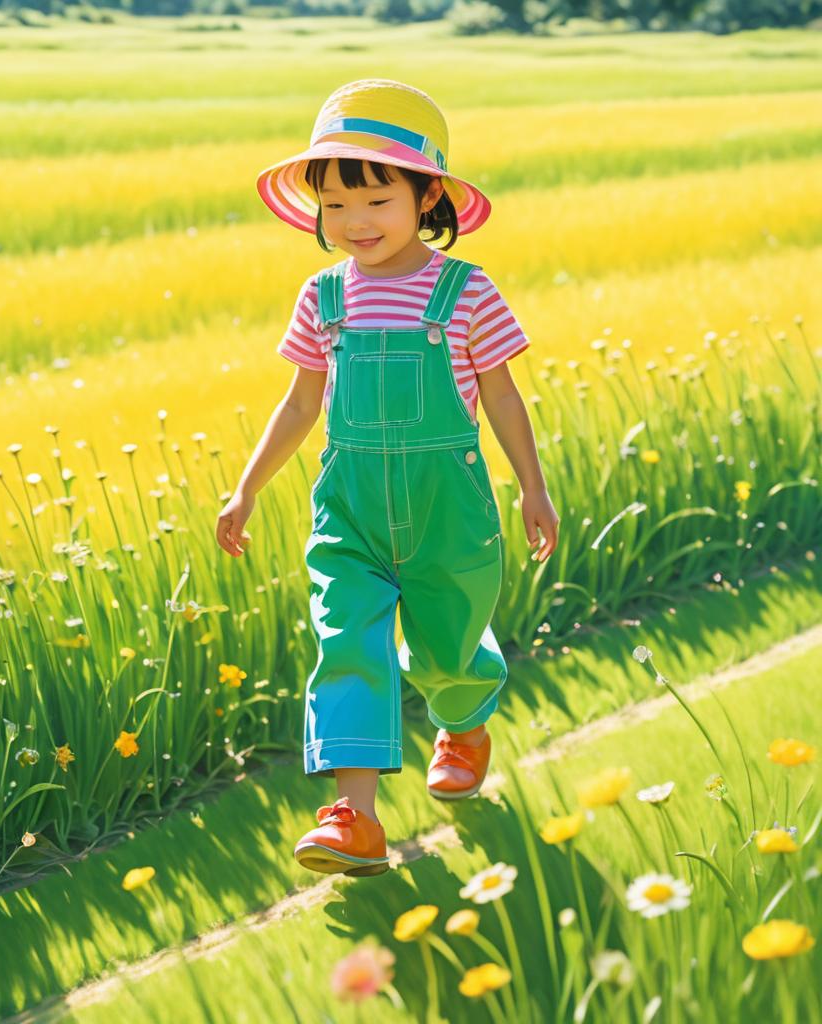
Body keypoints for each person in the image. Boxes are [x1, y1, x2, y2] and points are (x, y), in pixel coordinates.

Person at [216, 79, 559, 877]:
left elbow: (503, 397)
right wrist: (248, 486)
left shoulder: (465, 290)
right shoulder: (323, 296)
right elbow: (302, 403)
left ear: (427, 193)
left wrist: (532, 488)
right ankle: (355, 818)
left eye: (374, 199)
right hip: (352, 514)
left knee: (445, 649)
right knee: (346, 645)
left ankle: (463, 719)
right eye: (334, 206)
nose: (353, 223)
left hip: (449, 513)